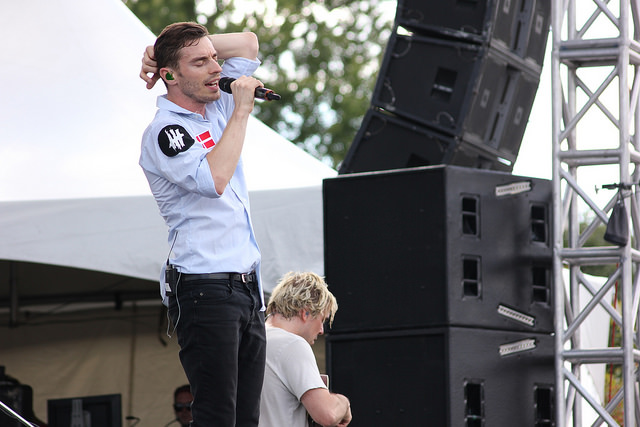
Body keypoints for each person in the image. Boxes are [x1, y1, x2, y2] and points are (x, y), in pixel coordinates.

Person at [138, 22, 266, 426]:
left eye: (214, 57)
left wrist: (155, 48)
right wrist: (241, 109)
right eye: (200, 62)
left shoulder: (215, 105)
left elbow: (247, 43)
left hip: (246, 284)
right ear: (170, 76)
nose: (216, 68)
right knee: (217, 415)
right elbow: (214, 180)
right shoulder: (166, 130)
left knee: (246, 417)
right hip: (204, 286)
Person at [260, 272, 352, 427]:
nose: (321, 330)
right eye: (322, 320)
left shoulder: (250, 340)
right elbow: (328, 414)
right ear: (306, 312)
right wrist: (344, 404)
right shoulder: (292, 344)